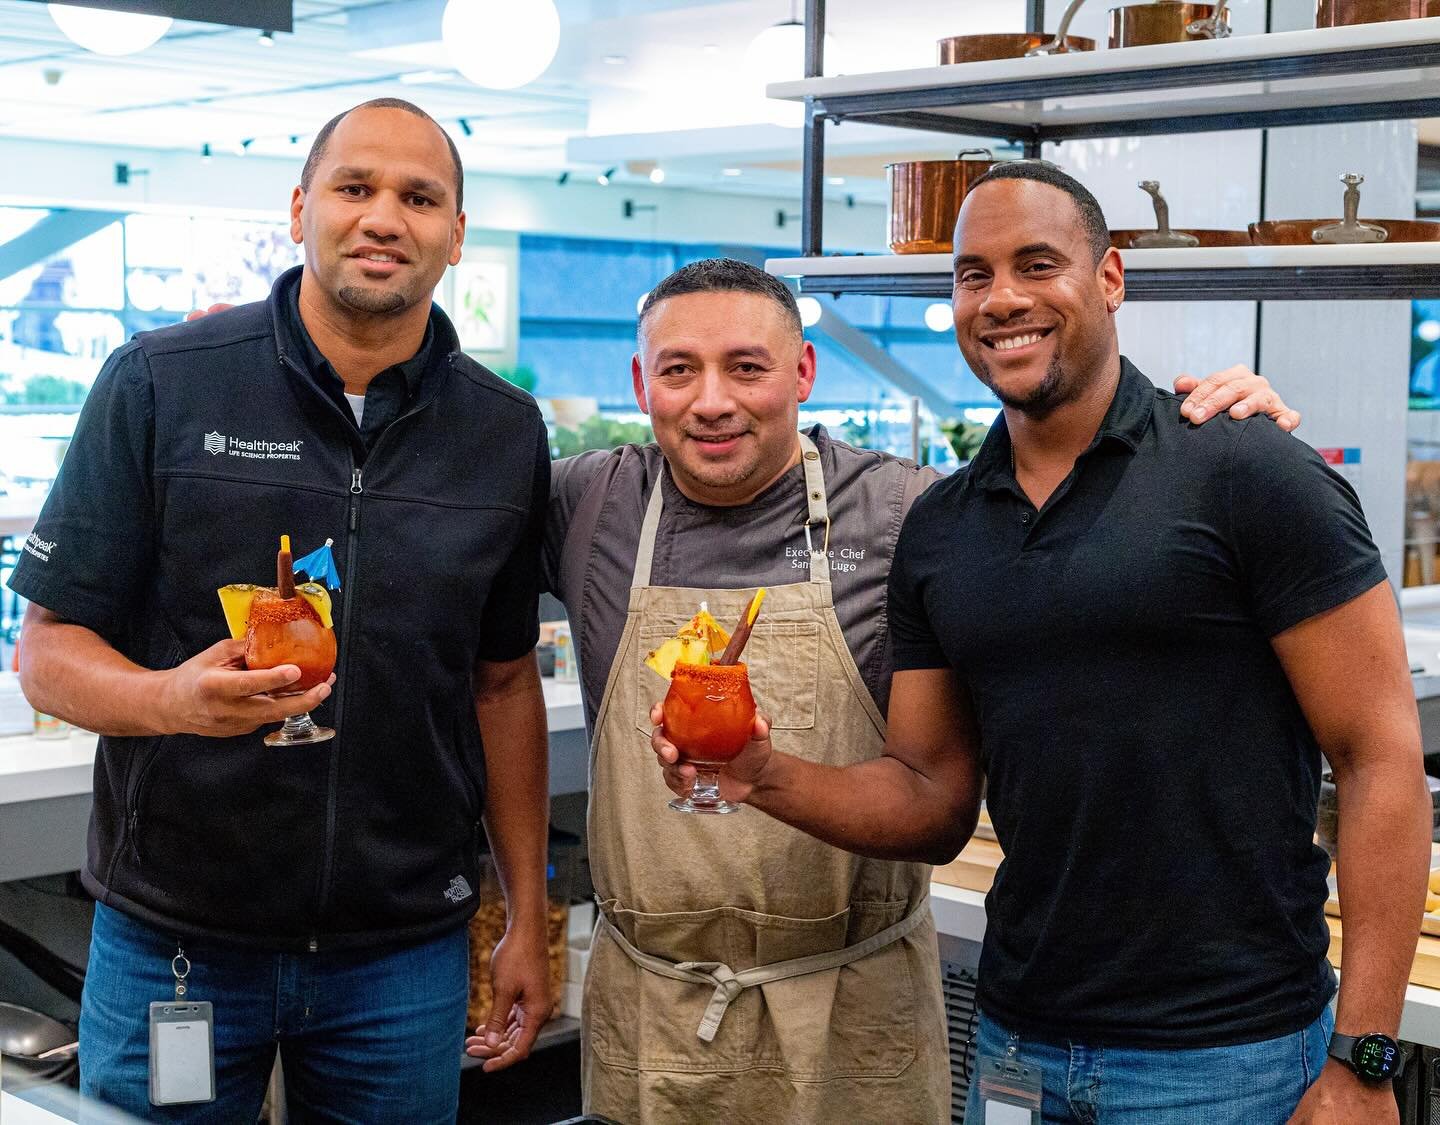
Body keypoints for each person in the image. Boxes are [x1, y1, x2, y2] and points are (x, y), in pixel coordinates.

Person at [652, 167, 1430, 1124]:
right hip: (1018, 1048)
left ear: (1109, 278)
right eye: (973, 275)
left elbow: (1378, 756)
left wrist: (1365, 1057)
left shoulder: (1246, 469)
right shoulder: (941, 527)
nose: (1003, 298)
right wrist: (764, 773)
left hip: (1225, 1058)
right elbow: (931, 796)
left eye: (1037, 265)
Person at [515, 252, 1300, 1123]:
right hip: (651, 1017)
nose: (712, 401)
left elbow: (1085, 513)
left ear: (803, 371)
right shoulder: (587, 501)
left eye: (747, 366)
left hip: (851, 1017)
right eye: (678, 370)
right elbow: (433, 530)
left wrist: (1208, 437)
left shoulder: (911, 513)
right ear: (640, 382)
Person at [10, 98, 552, 1122]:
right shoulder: (161, 384)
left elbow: (502, 681)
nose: (385, 217)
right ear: (301, 207)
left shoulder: (503, 433)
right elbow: (46, 652)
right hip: (178, 941)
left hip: (401, 955)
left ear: (457, 236)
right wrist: (172, 698)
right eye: (356, 188)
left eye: (419, 197)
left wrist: (527, 908)